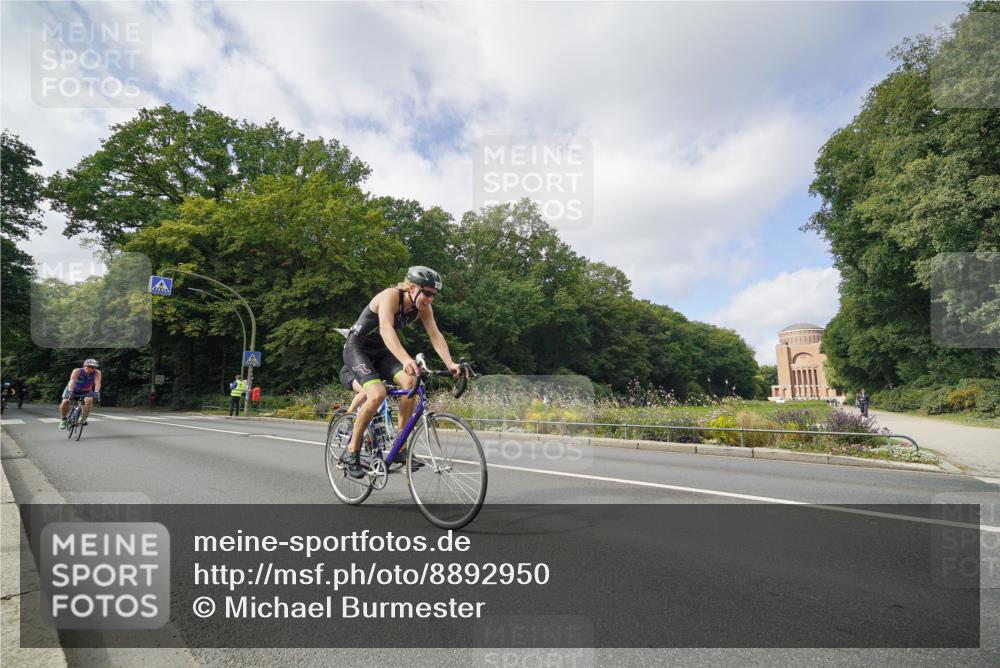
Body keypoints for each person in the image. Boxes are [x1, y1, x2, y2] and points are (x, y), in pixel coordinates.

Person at [339, 266, 463, 478]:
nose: (431, 299)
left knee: (410, 384)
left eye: (434, 295)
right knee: (377, 394)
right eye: (428, 293)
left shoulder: (423, 308)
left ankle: (400, 447)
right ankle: (352, 450)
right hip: (357, 349)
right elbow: (386, 329)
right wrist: (406, 359)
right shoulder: (390, 296)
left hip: (382, 352)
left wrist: (450, 362)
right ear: (412, 288)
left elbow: (435, 334)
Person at [59, 359, 102, 429]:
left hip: (86, 391)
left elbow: (98, 383)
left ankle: (84, 419)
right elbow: (72, 381)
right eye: (89, 366)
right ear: (84, 366)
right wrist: (70, 391)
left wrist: (96, 393)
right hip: (72, 389)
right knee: (65, 402)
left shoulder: (97, 372)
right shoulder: (77, 371)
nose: (91, 369)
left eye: (93, 367)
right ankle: (64, 419)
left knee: (89, 400)